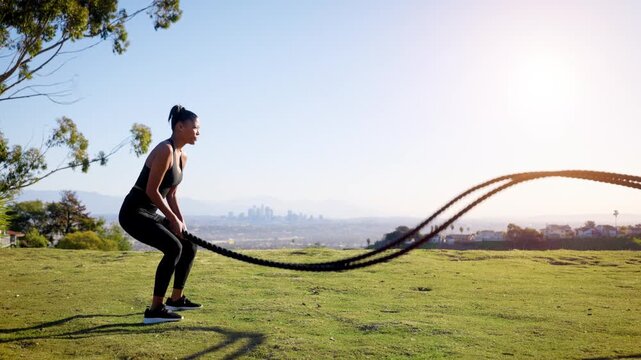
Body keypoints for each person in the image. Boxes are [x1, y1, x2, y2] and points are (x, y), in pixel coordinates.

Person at [119, 105, 202, 324]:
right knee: (173, 247)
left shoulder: (182, 157)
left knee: (188, 244)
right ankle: (155, 309)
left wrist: (180, 222)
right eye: (195, 128)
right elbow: (151, 191)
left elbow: (171, 195)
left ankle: (176, 298)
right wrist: (172, 219)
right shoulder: (165, 149)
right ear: (180, 126)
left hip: (149, 212)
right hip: (133, 213)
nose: (198, 133)